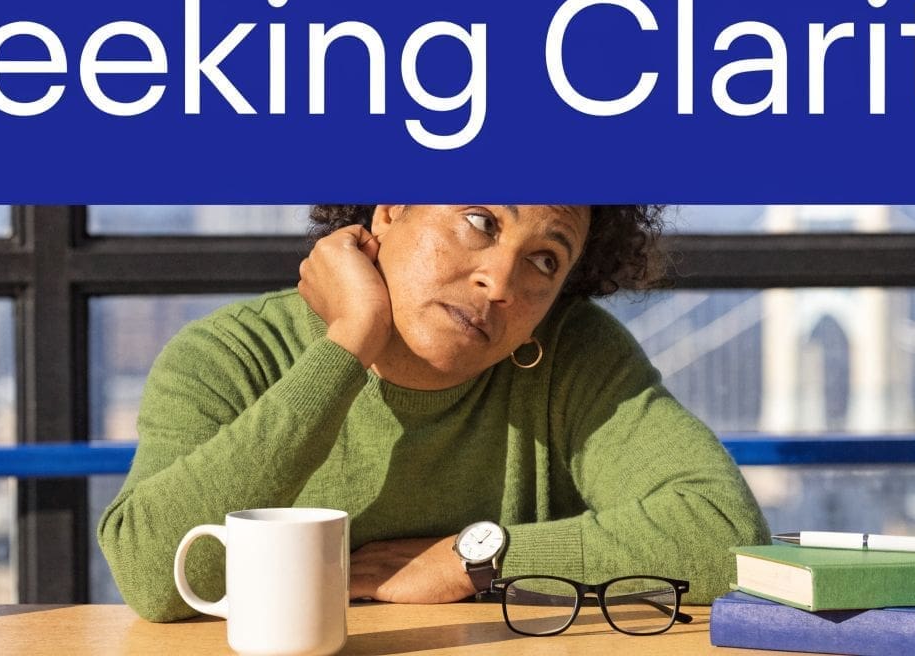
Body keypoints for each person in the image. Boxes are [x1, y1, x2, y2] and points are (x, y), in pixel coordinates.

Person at [98, 205, 769, 623]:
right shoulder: (230, 353)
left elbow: (725, 538)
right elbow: (157, 579)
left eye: (543, 259)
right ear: (388, 210)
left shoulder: (574, 354)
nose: (500, 282)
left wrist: (475, 560)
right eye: (480, 222)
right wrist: (349, 343)